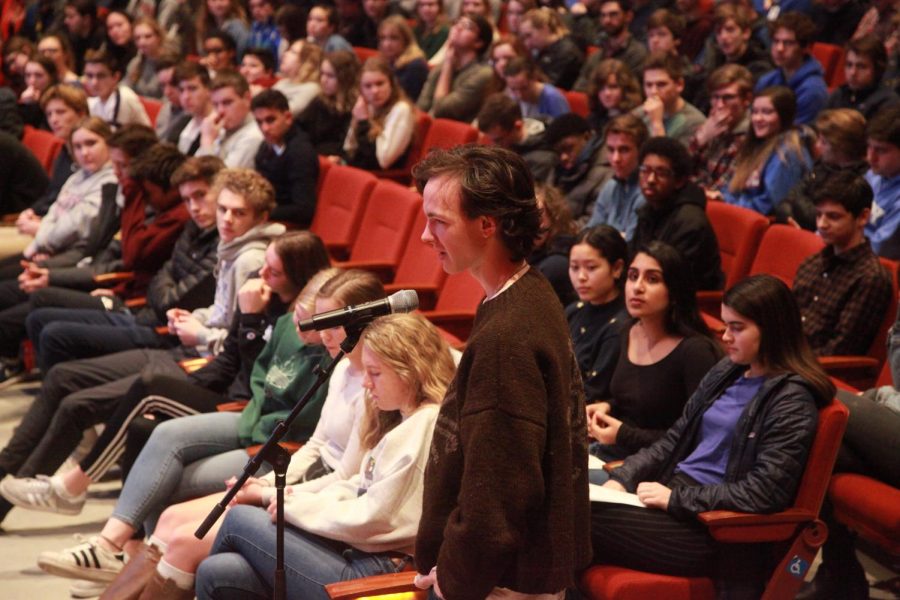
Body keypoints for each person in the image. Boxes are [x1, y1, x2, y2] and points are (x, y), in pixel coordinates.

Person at [33, 270, 383, 589]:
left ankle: (123, 571)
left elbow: (344, 475)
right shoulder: (342, 368)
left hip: (318, 495)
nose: (322, 336)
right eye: (319, 322)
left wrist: (267, 491)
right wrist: (263, 482)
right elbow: (316, 441)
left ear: (363, 321)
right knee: (168, 506)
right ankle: (115, 565)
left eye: (332, 325)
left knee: (182, 530)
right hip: (291, 470)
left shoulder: (372, 385)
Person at [0, 235, 331, 526]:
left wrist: (251, 320)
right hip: (213, 379)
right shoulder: (260, 295)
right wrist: (195, 375)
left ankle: (73, 488)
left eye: (272, 272)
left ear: (300, 278)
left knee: (147, 390)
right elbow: (230, 358)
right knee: (88, 385)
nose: (261, 276)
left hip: (242, 404)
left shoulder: (301, 325)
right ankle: (106, 525)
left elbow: (259, 376)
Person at [411, 145, 590, 599]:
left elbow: (499, 496)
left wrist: (451, 582)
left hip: (500, 584)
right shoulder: (527, 292)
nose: (425, 236)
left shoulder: (507, 335)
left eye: (439, 221)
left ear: (487, 225)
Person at [176, 312, 455, 599]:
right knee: (218, 571)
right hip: (357, 551)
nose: (366, 384)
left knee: (238, 519)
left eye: (375, 373)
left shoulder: (425, 425)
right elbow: (360, 487)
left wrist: (288, 506)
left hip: (378, 569)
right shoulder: (404, 419)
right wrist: (289, 498)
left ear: (410, 369)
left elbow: (374, 518)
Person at [591, 273, 835, 595]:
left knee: (573, 518)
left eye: (737, 327)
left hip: (710, 530)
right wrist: (623, 477)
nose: (725, 336)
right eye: (725, 324)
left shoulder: (791, 399)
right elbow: (674, 440)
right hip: (670, 497)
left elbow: (764, 492)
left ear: (772, 330)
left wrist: (676, 499)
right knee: (556, 493)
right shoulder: (728, 371)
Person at [27, 167, 284, 370]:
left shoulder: (249, 260)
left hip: (189, 349)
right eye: (223, 210)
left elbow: (236, 336)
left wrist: (198, 329)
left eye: (238, 213)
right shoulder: (218, 240)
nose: (226, 219)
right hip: (160, 321)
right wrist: (194, 317)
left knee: (62, 354)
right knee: (45, 321)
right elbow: (167, 277)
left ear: (259, 218)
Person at [587, 241, 722, 485]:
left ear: (674, 290)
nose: (637, 287)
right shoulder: (628, 330)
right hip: (610, 453)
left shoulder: (695, 352)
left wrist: (624, 435)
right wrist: (607, 407)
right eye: (633, 276)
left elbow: (694, 438)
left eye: (652, 279)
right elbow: (635, 397)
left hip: (658, 471)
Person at [0, 117, 117, 280]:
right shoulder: (77, 177)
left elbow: (75, 226)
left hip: (66, 255)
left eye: (91, 144)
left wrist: (43, 240)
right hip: (46, 245)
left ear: (108, 143)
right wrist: (41, 245)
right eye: (77, 147)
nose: (84, 152)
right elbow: (54, 211)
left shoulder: (110, 183)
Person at [792, 172, 892, 357]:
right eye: (819, 215)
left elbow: (840, 350)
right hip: (784, 357)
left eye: (833, 217)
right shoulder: (812, 263)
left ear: (862, 217)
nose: (822, 224)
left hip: (810, 372)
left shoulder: (870, 278)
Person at [630, 136, 723, 291]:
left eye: (661, 173)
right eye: (645, 170)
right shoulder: (649, 209)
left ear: (679, 181)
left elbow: (673, 280)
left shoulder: (690, 221)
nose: (651, 179)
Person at [720, 86, 812, 216]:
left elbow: (769, 205)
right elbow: (732, 187)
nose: (758, 118)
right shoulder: (758, 144)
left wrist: (728, 203)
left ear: (784, 116)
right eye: (755, 112)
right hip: (740, 214)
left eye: (767, 112)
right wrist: (721, 197)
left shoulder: (788, 153)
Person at [566, 224, 629, 404]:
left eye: (591, 268)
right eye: (574, 267)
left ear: (617, 268)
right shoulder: (573, 310)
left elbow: (593, 392)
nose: (581, 277)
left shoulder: (621, 325)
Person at [777, 108, 869, 230]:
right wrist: (790, 218)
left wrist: (798, 201)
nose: (817, 145)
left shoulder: (859, 180)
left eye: (824, 142)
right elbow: (786, 201)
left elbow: (819, 218)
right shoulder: (823, 165)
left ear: (841, 147)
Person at [252, 89, 319, 227]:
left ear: (288, 118)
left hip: (285, 227)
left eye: (270, 120)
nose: (264, 128)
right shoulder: (265, 146)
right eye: (259, 122)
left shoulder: (300, 152)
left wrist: (259, 213)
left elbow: (304, 210)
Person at [417, 13, 494, 123]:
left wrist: (448, 64)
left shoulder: (483, 74)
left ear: (479, 43)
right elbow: (421, 107)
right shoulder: (439, 69)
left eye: (467, 27)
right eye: (456, 23)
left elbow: (441, 110)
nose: (458, 28)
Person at [342, 57, 416, 170]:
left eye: (380, 83)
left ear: (391, 84)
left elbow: (382, 161)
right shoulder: (366, 107)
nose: (375, 91)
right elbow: (349, 148)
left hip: (382, 176)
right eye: (368, 86)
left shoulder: (401, 110)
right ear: (360, 89)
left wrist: (363, 122)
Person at [689, 64, 753, 194]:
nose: (719, 105)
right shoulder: (708, 127)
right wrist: (700, 141)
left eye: (728, 97)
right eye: (715, 97)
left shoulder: (751, 136)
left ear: (747, 99)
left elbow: (718, 190)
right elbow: (678, 173)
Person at [755, 12, 828, 125]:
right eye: (776, 41)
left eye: (788, 43)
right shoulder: (767, 80)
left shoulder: (812, 91)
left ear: (806, 47)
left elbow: (797, 136)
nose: (779, 48)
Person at [586, 113, 648, 241]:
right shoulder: (610, 186)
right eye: (611, 150)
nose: (616, 159)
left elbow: (629, 244)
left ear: (641, 151)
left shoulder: (647, 191)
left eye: (624, 150)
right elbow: (589, 234)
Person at [544, 112, 612, 225]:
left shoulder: (606, 169)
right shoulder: (557, 169)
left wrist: (556, 232)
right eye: (558, 152)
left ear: (587, 137)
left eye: (569, 148)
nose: (563, 157)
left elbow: (592, 222)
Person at [634, 51, 706, 148]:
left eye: (661, 84)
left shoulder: (695, 122)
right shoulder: (637, 116)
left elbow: (665, 161)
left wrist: (657, 124)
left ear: (679, 85)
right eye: (648, 85)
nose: (653, 91)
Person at [296, 50, 361, 156]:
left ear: (345, 78)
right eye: (322, 74)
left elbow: (348, 146)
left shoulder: (357, 107)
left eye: (330, 76)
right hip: (313, 155)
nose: (323, 80)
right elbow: (299, 128)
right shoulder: (320, 101)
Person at [573, 0, 648, 92]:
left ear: (628, 16)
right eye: (603, 15)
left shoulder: (638, 54)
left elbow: (631, 92)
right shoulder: (596, 56)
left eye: (613, 14)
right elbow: (578, 89)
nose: (607, 20)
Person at [197, 71, 264, 168]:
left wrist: (207, 142)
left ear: (247, 99)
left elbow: (219, 180)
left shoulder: (254, 135)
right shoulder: (218, 130)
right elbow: (192, 169)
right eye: (215, 104)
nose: (220, 111)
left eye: (227, 102)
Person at [826, 34, 900, 120]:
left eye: (861, 67)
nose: (853, 73)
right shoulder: (839, 94)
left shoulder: (888, 103)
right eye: (849, 65)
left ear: (878, 69)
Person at [530, 183, 577, 305]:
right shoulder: (524, 256)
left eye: (539, 217)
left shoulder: (555, 265)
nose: (531, 224)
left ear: (554, 219)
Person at [864, 105, 900, 259]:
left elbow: (879, 251)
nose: (870, 158)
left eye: (881, 150)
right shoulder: (874, 175)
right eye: (869, 147)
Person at [84, 48, 152, 129]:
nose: (94, 82)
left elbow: (114, 138)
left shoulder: (125, 97)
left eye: (101, 76)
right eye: (89, 76)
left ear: (116, 77)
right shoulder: (92, 103)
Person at [518, 7, 584, 90]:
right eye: (524, 38)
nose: (526, 43)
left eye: (529, 36)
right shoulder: (542, 50)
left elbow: (549, 86)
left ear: (545, 29)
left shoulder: (567, 52)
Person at [378, 15, 429, 101]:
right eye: (383, 38)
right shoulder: (387, 62)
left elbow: (403, 100)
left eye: (394, 38)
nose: (387, 44)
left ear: (406, 40)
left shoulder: (415, 66)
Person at [585, 58, 642, 135]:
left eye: (613, 87)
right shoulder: (592, 120)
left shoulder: (636, 120)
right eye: (601, 88)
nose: (607, 93)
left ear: (626, 89)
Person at [502, 56, 571, 119]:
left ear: (534, 78)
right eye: (513, 89)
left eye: (524, 88)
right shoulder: (511, 98)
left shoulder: (553, 98)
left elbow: (566, 129)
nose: (519, 95)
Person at [272, 39, 322, 116]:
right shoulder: (282, 83)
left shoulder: (311, 88)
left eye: (293, 52)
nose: (285, 54)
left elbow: (286, 114)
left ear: (306, 61)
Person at [124, 17, 170, 99]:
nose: (142, 42)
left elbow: (169, 100)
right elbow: (124, 90)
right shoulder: (135, 63)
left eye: (148, 36)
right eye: (137, 38)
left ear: (158, 38)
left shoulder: (171, 65)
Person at [17, 55, 59, 129]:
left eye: (38, 75)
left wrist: (36, 105)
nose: (32, 81)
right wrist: (24, 105)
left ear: (51, 77)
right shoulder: (22, 99)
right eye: (28, 75)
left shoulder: (59, 98)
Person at [414, 0, 450, 64]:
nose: (426, 9)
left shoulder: (444, 31)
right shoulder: (416, 30)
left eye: (430, 4)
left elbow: (429, 58)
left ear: (440, 7)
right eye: (421, 5)